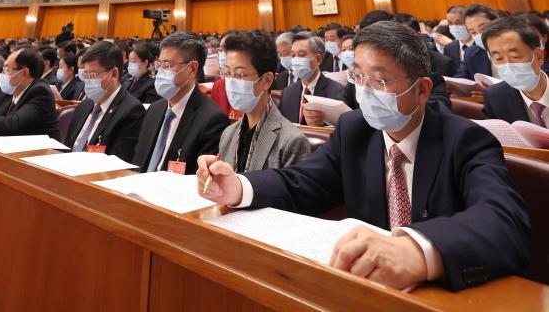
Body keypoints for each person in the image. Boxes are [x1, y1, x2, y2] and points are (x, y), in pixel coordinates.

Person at [198, 21, 531, 292]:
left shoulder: (465, 139)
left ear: (422, 90)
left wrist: (418, 248)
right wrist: (239, 187)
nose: (366, 91)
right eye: (358, 76)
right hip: (363, 288)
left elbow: (504, 221)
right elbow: (303, 182)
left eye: (381, 80)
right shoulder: (355, 130)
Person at [133, 32, 228, 174]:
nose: (160, 71)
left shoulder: (211, 120)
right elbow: (138, 162)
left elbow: (198, 178)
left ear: (192, 69)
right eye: (160, 64)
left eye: (167, 65)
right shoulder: (154, 109)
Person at [218, 31, 310, 172]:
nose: (231, 82)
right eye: (228, 73)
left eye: (240, 74)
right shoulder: (228, 134)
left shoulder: (291, 141)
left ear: (267, 80)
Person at [64, 41, 145, 160]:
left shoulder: (131, 112)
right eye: (86, 75)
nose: (88, 81)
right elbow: (67, 147)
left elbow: (118, 162)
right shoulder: (84, 106)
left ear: (114, 74)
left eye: (93, 75)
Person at [481, 16, 548, 126]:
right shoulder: (495, 98)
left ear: (538, 56)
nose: (508, 65)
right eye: (499, 59)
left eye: (515, 56)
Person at [279, 32, 346, 125]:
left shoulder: (337, 92)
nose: (296, 60)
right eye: (293, 55)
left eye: (302, 54)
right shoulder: (287, 93)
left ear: (318, 59)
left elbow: (340, 128)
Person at [455, 5, 498, 78]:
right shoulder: (471, 54)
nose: (480, 35)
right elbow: (460, 79)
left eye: (483, 28)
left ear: (496, 22)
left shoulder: (515, 45)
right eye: (473, 32)